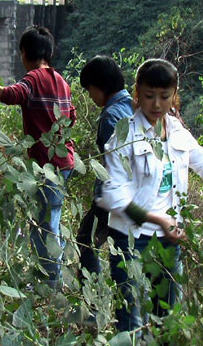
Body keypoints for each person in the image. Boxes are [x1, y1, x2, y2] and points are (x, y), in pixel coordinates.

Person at [97, 58, 203, 337]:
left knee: (167, 322)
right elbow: (112, 194)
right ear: (137, 93)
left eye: (164, 97)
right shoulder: (125, 136)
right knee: (131, 322)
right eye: (149, 96)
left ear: (174, 96)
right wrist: (157, 218)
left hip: (168, 243)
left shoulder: (178, 133)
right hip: (130, 241)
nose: (156, 104)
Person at [0, 25, 76, 289]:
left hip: (47, 168)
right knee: (51, 220)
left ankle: (50, 282)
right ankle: (59, 274)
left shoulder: (32, 79)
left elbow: (10, 95)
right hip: (65, 162)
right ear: (50, 52)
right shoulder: (62, 82)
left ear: (24, 52)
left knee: (42, 227)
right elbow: (72, 116)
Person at [76, 56, 133, 284]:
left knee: (84, 243)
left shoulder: (110, 116)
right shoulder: (133, 105)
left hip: (111, 198)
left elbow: (115, 164)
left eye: (90, 90)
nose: (90, 96)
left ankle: (92, 307)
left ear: (100, 86)